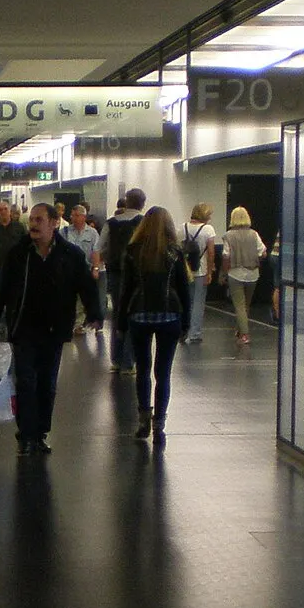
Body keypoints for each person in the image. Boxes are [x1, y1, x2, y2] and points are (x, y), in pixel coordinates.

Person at [0, 202, 102, 457]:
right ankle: (26, 436)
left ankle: (41, 433)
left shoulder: (70, 255)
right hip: (24, 327)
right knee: (25, 381)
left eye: (39, 220)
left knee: (47, 384)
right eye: (31, 219)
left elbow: (86, 286)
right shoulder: (18, 254)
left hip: (54, 329)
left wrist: (95, 312)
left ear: (54, 223)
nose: (33, 224)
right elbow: (2, 292)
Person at [119, 206, 193, 446]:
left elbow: (126, 289)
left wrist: (121, 321)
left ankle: (143, 420)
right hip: (169, 315)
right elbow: (183, 289)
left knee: (142, 369)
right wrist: (187, 322)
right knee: (163, 373)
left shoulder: (132, 252)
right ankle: (159, 421)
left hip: (139, 315)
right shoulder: (175, 252)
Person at [102, 189, 145, 373]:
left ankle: (116, 360)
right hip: (136, 275)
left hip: (114, 273)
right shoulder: (143, 222)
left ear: (126, 202)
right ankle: (129, 362)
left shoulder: (111, 223)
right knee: (133, 314)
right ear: (142, 203)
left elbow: (100, 247)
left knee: (118, 314)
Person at [224, 205, 266, 349]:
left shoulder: (228, 235)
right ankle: (240, 329)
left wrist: (224, 272)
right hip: (253, 274)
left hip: (236, 273)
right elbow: (263, 253)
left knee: (239, 305)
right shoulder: (254, 234)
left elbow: (226, 255)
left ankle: (245, 335)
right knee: (246, 304)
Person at [61, 202, 102, 334]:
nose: (73, 218)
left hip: (86, 270)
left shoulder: (92, 233)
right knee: (71, 299)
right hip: (69, 271)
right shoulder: (65, 232)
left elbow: (96, 251)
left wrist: (95, 269)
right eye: (72, 215)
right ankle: (74, 323)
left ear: (84, 217)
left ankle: (84, 322)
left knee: (85, 297)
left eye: (77, 215)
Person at [181, 203, 217, 344]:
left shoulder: (182, 228)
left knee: (186, 301)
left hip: (185, 269)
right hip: (200, 269)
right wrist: (210, 272)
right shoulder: (208, 229)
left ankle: (184, 330)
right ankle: (195, 332)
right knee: (198, 302)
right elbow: (211, 252)